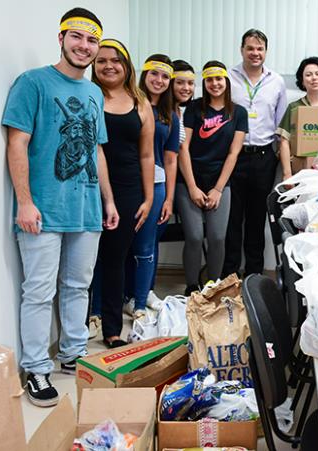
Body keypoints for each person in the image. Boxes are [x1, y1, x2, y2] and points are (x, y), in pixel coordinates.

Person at [2, 7, 118, 407]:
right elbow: (16, 142)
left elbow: (97, 150)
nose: (84, 47)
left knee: (77, 288)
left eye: (92, 41)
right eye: (77, 37)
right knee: (38, 291)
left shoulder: (92, 93)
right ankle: (36, 369)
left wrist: (108, 199)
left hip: (86, 209)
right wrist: (25, 202)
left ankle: (72, 354)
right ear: (62, 38)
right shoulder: (32, 82)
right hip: (44, 209)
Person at [90, 39, 154, 348]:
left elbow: (146, 156)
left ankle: (112, 330)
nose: (108, 65)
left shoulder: (140, 102)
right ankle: (85, 321)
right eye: (101, 60)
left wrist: (149, 198)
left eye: (115, 60)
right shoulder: (88, 96)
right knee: (86, 262)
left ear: (126, 65)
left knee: (115, 259)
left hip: (128, 190)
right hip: (88, 188)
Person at [177, 61, 247, 294]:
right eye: (209, 79)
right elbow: (183, 148)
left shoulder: (238, 112)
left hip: (220, 181)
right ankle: (191, 287)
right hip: (190, 180)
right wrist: (192, 187)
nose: (215, 84)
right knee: (195, 237)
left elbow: (233, 152)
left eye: (219, 79)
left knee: (217, 237)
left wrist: (218, 189)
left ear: (226, 81)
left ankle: (212, 287)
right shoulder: (194, 109)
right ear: (204, 83)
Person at [224, 29, 287, 279]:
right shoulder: (228, 77)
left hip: (263, 158)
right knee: (231, 218)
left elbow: (280, 124)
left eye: (259, 49)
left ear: (265, 51)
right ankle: (229, 274)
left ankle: (253, 275)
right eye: (250, 48)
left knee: (256, 218)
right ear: (242, 50)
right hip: (233, 157)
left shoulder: (277, 82)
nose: (255, 53)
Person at [123, 55, 180, 319]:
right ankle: (124, 295)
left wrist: (169, 198)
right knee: (125, 243)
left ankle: (142, 296)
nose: (159, 80)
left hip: (157, 187)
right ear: (143, 75)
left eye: (165, 76)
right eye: (154, 74)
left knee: (148, 245)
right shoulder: (130, 105)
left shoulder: (171, 115)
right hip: (127, 182)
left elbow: (170, 158)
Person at [277, 56, 318, 154]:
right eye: (308, 75)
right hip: (299, 165)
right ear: (302, 80)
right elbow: (284, 141)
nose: (314, 78)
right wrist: (287, 170)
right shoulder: (294, 107)